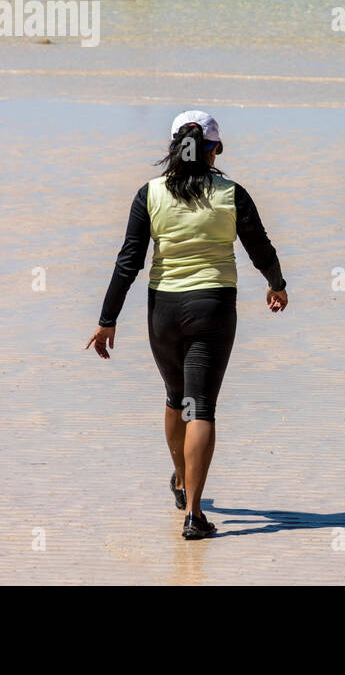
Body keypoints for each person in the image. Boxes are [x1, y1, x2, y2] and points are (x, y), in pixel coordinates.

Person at [86, 110, 289, 539]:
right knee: (202, 406)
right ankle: (194, 515)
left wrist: (107, 320)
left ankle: (180, 477)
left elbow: (128, 261)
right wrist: (277, 284)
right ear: (215, 149)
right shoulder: (232, 193)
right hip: (213, 306)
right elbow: (260, 247)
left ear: (172, 149)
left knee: (176, 397)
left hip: (163, 309)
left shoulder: (150, 194)